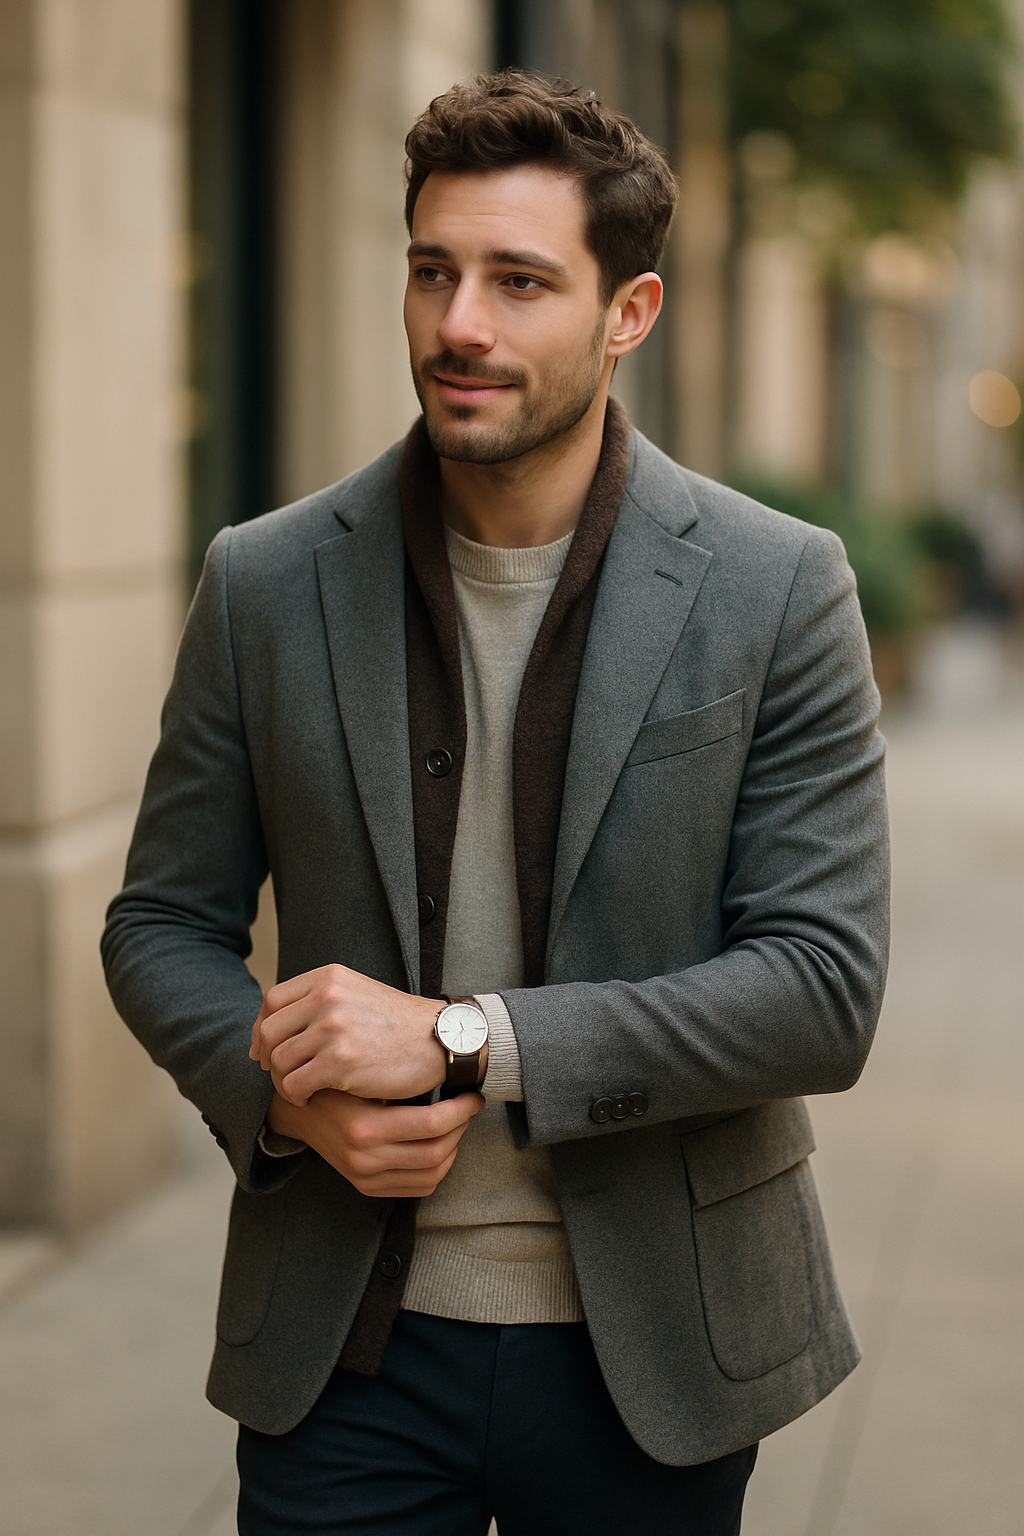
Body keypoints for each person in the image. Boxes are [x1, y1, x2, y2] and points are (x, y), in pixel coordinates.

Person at [102, 70, 889, 1536]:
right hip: (344, 1351)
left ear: (627, 314)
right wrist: (276, 1097)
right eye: (433, 271)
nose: (460, 323)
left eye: (521, 281)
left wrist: (474, 1037)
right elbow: (158, 923)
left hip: (652, 1355)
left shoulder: (780, 588)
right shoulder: (265, 584)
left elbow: (822, 989)